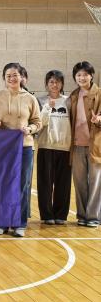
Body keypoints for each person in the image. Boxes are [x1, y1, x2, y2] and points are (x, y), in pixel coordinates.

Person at [0, 63, 41, 237]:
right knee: (2, 184)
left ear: (22, 77)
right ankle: (1, 222)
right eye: (8, 75)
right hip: (2, 147)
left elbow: (37, 122)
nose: (12, 78)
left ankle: (20, 223)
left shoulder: (30, 98)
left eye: (15, 75)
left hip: (24, 147)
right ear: (4, 78)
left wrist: (29, 129)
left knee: (22, 185)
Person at [36, 70, 72, 225]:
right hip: (46, 146)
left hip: (65, 147)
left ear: (62, 84)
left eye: (57, 81)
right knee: (45, 183)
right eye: (51, 82)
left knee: (63, 184)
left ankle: (61, 215)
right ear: (46, 84)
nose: (54, 84)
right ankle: (47, 215)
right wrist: (47, 108)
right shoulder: (40, 100)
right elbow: (40, 123)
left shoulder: (69, 101)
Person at [68, 61, 101, 228]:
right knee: (79, 182)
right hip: (77, 145)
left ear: (91, 75)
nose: (82, 78)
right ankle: (81, 215)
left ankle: (93, 216)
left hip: (96, 145)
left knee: (96, 182)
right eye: (78, 75)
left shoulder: (99, 93)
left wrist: (99, 119)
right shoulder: (73, 95)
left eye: (85, 74)